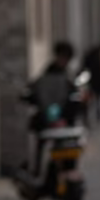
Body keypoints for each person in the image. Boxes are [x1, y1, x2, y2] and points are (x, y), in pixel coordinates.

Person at [24, 41, 75, 176]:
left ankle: (66, 171)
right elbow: (35, 89)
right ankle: (37, 172)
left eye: (66, 58)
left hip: (63, 117)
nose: (63, 61)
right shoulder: (47, 73)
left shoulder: (69, 76)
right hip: (48, 116)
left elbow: (74, 95)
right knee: (41, 142)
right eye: (61, 57)